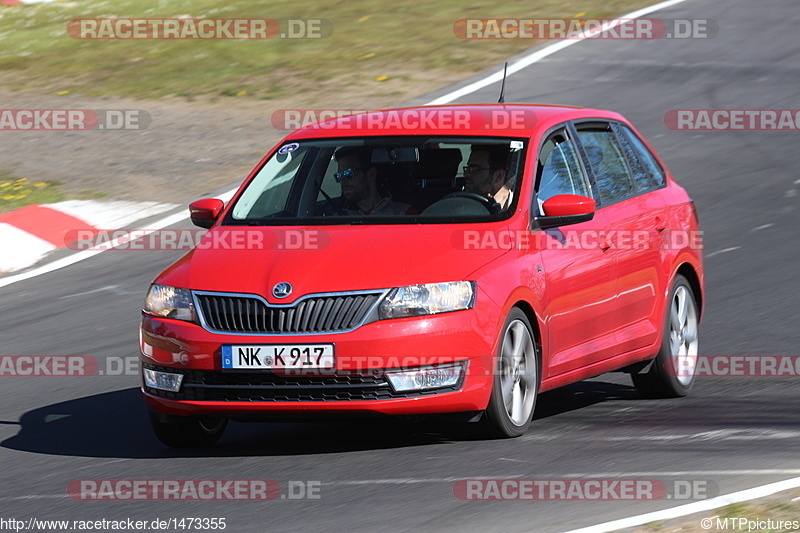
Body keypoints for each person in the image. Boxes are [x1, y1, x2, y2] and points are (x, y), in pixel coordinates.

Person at [333, 147, 416, 215]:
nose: (342, 181)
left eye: (348, 173)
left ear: (371, 175)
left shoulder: (404, 214)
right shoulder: (338, 220)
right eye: (339, 176)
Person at [463, 144, 513, 210]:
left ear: (499, 176)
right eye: (468, 168)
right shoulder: (462, 206)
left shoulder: (520, 208)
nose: (466, 174)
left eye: (475, 169)